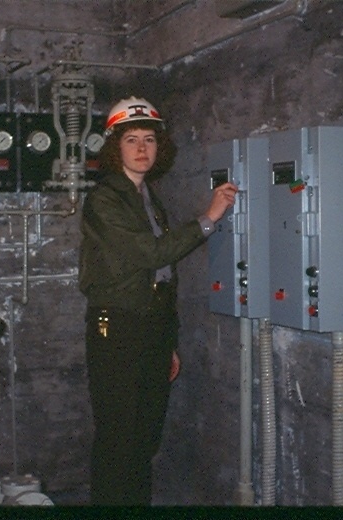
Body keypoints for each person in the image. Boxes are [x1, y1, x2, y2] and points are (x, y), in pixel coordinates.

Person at [78, 96, 238, 505]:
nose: (142, 149)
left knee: (145, 437)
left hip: (150, 327)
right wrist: (209, 218)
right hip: (118, 327)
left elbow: (163, 279)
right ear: (116, 148)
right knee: (119, 439)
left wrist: (167, 341)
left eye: (149, 139)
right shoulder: (105, 199)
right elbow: (151, 255)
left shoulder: (147, 196)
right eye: (132, 140)